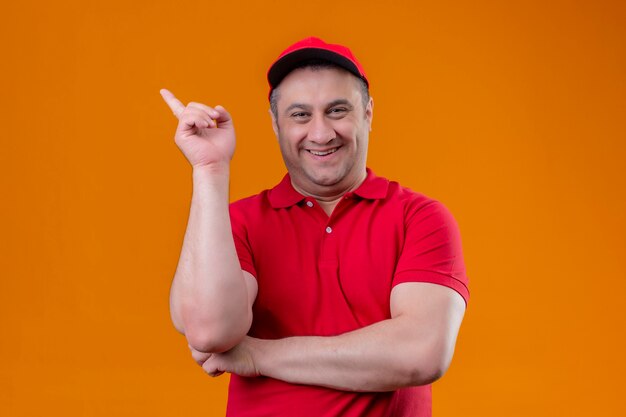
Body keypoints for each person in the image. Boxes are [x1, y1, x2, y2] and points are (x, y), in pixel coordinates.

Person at [161, 37, 469, 417]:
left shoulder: (420, 218)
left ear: (368, 113)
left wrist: (257, 355)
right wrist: (210, 170)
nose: (321, 134)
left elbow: (420, 354)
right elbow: (209, 332)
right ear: (275, 123)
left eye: (337, 110)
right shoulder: (234, 223)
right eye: (300, 115)